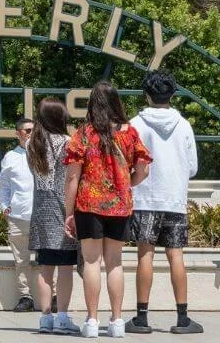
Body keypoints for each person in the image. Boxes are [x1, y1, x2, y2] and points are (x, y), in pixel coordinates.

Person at [63, 81, 151, 338]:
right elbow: (144, 169)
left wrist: (68, 212)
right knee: (115, 263)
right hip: (120, 207)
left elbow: (71, 178)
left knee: (91, 262)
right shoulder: (130, 133)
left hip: (88, 204)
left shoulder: (83, 134)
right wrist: (126, 183)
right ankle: (117, 321)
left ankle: (91, 321)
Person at [127, 70, 203, 334]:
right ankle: (182, 318)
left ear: (147, 95)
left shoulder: (135, 123)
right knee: (176, 256)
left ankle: (141, 318)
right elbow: (192, 167)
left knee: (144, 255)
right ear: (172, 94)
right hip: (174, 198)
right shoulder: (184, 125)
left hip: (145, 197)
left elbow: (128, 162)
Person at [27, 98, 80, 334]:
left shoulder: (32, 143)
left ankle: (45, 318)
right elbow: (71, 178)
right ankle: (62, 317)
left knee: (45, 268)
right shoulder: (68, 142)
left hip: (40, 210)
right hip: (62, 208)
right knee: (66, 268)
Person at [0, 116, 36, 312]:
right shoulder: (10, 157)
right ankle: (26, 297)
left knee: (49, 258)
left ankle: (55, 296)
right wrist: (4, 205)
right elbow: (4, 186)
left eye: (34, 130)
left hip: (42, 216)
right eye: (27, 130)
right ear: (18, 134)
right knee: (21, 260)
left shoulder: (44, 154)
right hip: (18, 217)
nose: (31, 134)